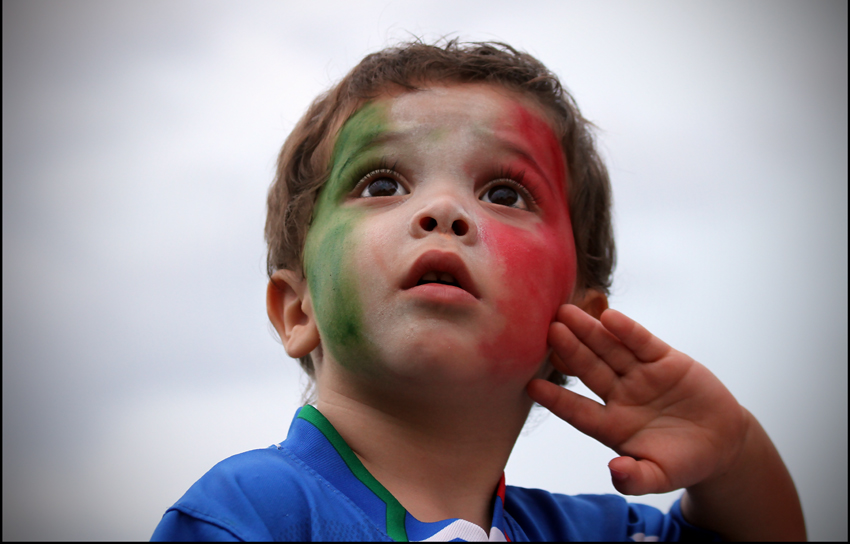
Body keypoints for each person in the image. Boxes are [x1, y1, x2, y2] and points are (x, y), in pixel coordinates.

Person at [151, 39, 806, 541]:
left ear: (577, 324)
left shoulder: (587, 533)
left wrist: (732, 452)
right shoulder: (249, 515)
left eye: (503, 192)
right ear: (299, 309)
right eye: (382, 184)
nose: (443, 211)